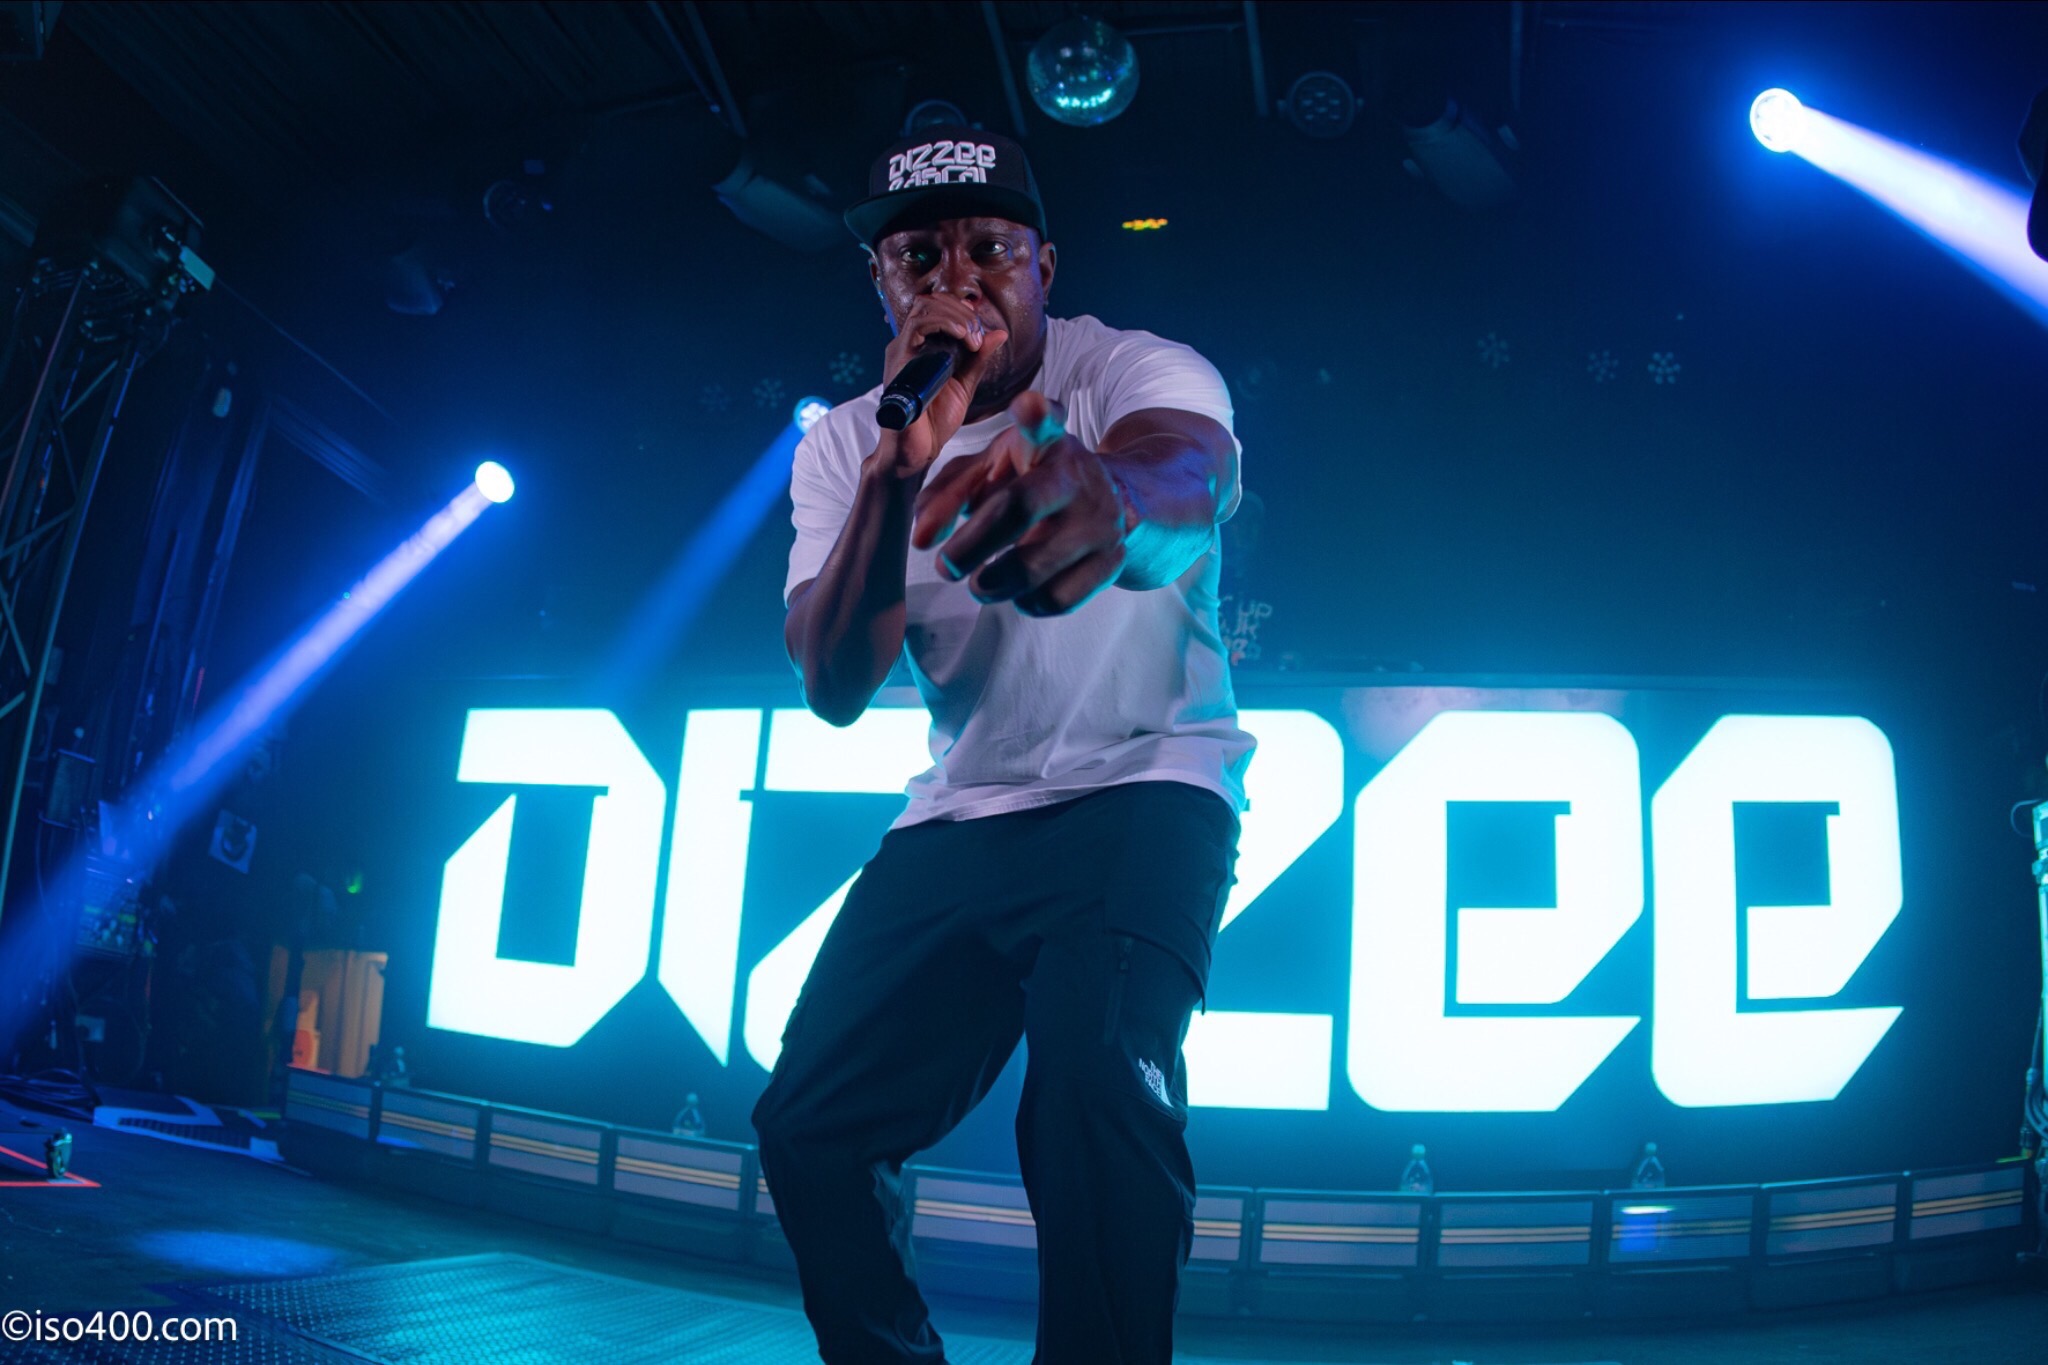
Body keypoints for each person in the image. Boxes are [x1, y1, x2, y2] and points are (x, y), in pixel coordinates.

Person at [750, 125, 1251, 1364]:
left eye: (991, 249)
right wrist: (893, 473)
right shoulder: (840, 445)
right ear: (881, 284)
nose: (958, 280)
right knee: (807, 1126)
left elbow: (1185, 477)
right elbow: (834, 685)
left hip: (1145, 788)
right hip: (962, 815)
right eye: (919, 256)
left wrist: (1107, 500)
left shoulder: (1127, 368)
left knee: (1091, 1093)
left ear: (1044, 266)